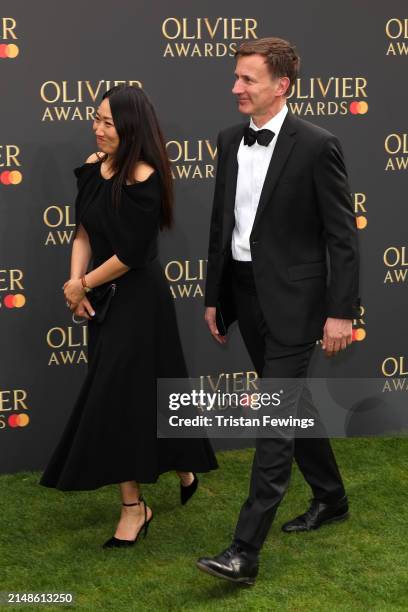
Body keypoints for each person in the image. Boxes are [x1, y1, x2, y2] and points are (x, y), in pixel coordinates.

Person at [197, 37, 360, 584]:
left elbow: (342, 237)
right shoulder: (227, 140)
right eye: (236, 77)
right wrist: (214, 296)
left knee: (273, 415)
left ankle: (244, 550)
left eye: (248, 79)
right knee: (293, 404)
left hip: (297, 304)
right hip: (245, 293)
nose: (236, 87)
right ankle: (332, 498)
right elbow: (224, 227)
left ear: (281, 85)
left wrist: (342, 312)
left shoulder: (317, 145)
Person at [40, 84, 218, 548]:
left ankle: (133, 508)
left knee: (119, 401)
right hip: (100, 300)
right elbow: (82, 232)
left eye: (106, 123)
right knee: (140, 396)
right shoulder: (93, 168)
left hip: (138, 304)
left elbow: (131, 254)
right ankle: (182, 465)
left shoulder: (146, 177)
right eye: (95, 119)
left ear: (131, 128)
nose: (96, 129)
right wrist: (74, 285)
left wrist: (84, 285)